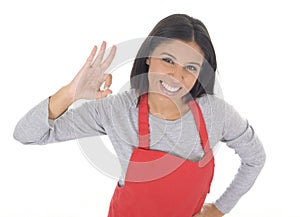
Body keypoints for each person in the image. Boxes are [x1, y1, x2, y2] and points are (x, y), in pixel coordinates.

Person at [13, 14, 266, 217]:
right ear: (149, 57)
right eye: (168, 60)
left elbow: (255, 157)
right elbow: (26, 135)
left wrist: (219, 209)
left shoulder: (215, 113)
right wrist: (69, 93)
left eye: (190, 67)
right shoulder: (117, 110)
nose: (176, 76)